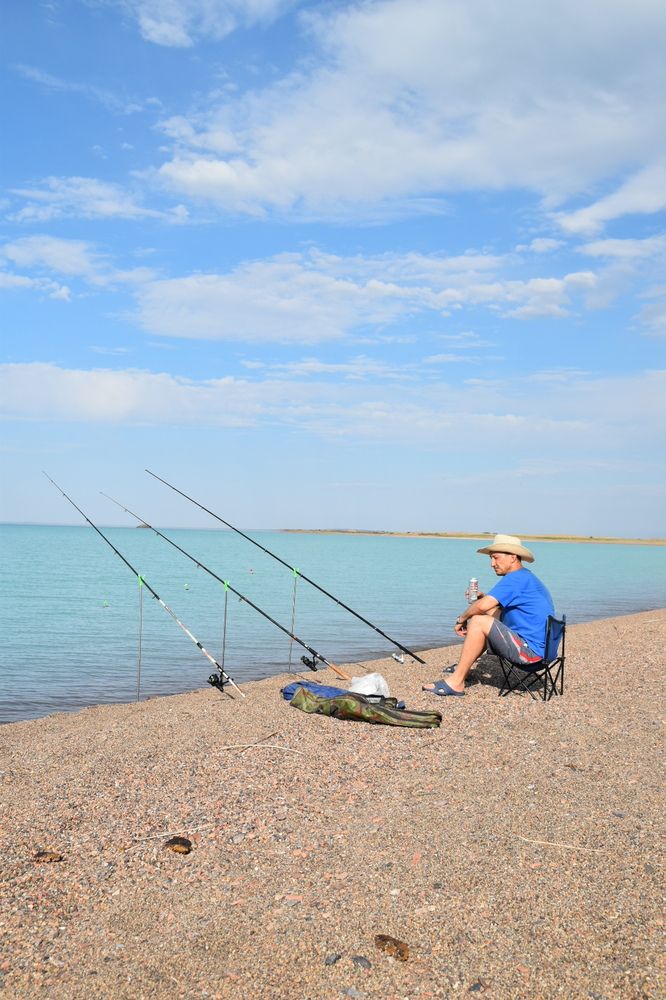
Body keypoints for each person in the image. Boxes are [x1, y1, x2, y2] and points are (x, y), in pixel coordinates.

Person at [423, 533, 554, 697]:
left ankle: (456, 682)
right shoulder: (525, 577)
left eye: (496, 558)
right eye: (491, 559)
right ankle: (464, 667)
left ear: (513, 557)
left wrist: (461, 619)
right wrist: (482, 601)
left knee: (478, 620)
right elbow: (493, 610)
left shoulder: (516, 578)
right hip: (541, 652)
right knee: (485, 614)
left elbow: (483, 607)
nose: (492, 564)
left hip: (531, 655)